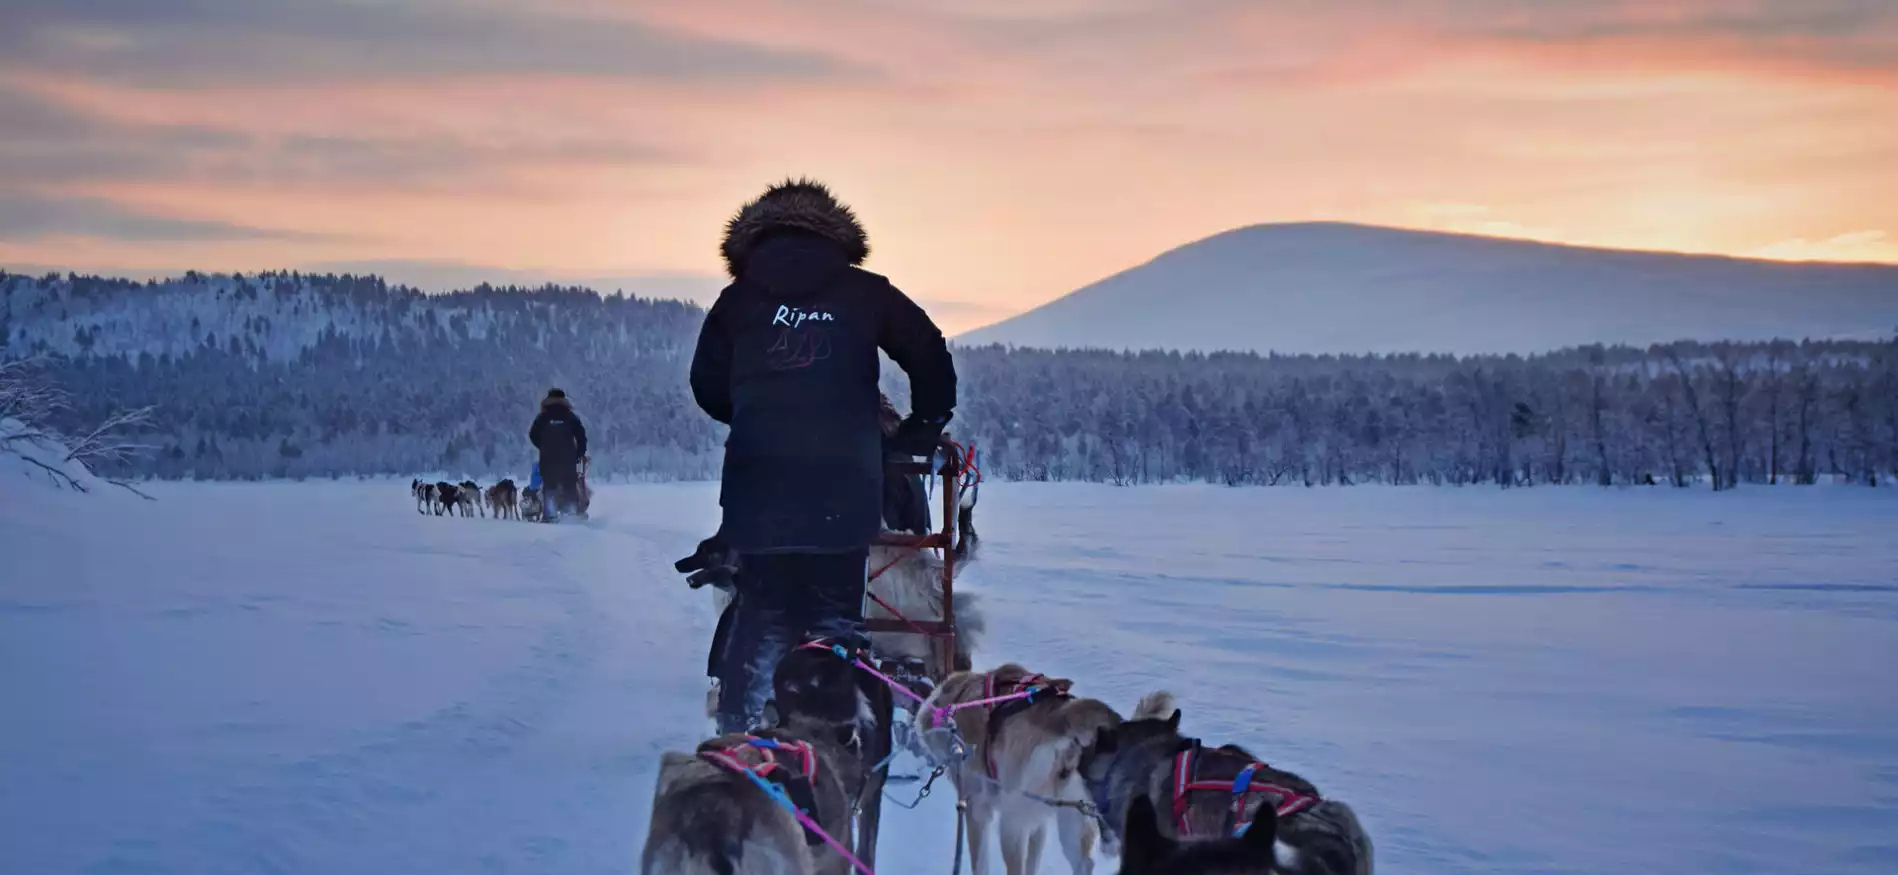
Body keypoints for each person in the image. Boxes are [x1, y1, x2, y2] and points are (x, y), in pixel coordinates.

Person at [690, 178, 957, 733]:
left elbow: (706, 385)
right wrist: (921, 429)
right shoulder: (865, 293)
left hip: (757, 491)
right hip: (844, 487)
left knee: (760, 617)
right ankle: (836, 744)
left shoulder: (737, 300)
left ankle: (742, 739)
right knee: (836, 623)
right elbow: (929, 353)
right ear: (835, 232)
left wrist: (756, 415)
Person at [528, 388, 588, 521]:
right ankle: (570, 514)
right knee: (569, 486)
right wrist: (578, 453)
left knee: (549, 486)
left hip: (547, 458)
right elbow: (581, 437)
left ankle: (550, 514)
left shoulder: (542, 417)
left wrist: (543, 446)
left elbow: (532, 435)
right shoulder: (570, 416)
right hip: (568, 458)